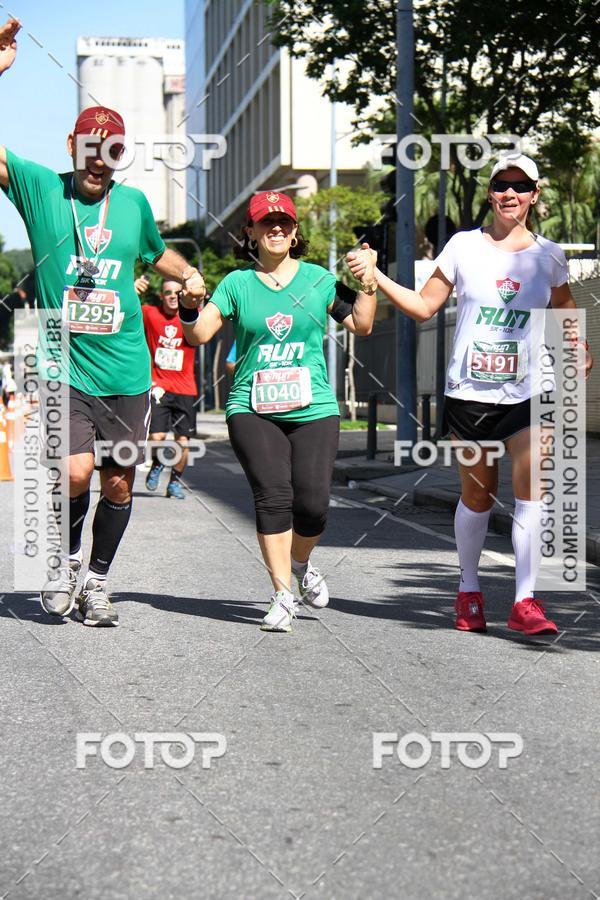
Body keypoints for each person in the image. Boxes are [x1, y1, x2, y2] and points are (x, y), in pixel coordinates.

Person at [0, 17, 206, 626]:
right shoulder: (41, 188)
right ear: (73, 145)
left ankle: (96, 581)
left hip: (125, 368)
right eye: (90, 145)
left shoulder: (134, 203)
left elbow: (153, 252)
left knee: (118, 483)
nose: (100, 158)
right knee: (73, 470)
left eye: (111, 148)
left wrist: (188, 271)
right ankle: (62, 566)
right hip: (63, 360)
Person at [347, 153, 593, 637]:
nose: (510, 193)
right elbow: (423, 306)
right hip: (471, 391)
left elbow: (565, 312)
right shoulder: (463, 247)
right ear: (489, 192)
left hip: (530, 390)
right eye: (501, 184)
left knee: (532, 495)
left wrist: (578, 347)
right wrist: (376, 279)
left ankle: (525, 601)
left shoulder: (549, 256)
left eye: (520, 186)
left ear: (534, 195)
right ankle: (469, 588)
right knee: (477, 497)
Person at [179, 190, 378, 632]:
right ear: (249, 232)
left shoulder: (319, 280)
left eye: (284, 222)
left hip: (314, 407)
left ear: (295, 231)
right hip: (253, 406)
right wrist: (189, 305)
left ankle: (301, 564)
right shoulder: (235, 284)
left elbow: (362, 324)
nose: (276, 229)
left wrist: (369, 280)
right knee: (273, 496)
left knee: (313, 505)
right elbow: (198, 336)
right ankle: (282, 595)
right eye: (265, 223)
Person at [140, 278, 198, 499]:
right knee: (156, 437)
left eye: (177, 292)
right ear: (161, 296)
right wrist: (132, 287)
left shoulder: (191, 317)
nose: (173, 296)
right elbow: (126, 308)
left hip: (185, 388)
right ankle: (157, 464)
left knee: (183, 442)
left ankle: (175, 482)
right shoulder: (150, 313)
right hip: (159, 387)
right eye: (168, 292)